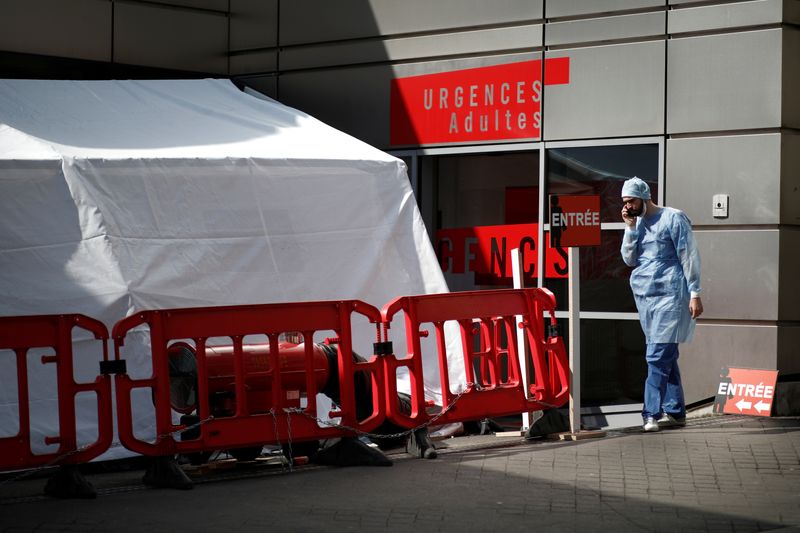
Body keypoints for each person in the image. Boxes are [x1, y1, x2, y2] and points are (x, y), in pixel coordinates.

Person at [619, 177, 703, 432]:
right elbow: (629, 259)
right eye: (624, 202)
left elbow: (688, 255)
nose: (628, 207)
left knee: (656, 355)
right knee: (666, 353)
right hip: (646, 295)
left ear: (645, 197)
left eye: (631, 201)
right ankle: (676, 411)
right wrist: (630, 228)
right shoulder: (636, 224)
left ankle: (650, 413)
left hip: (671, 294)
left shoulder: (673, 218)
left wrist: (695, 292)